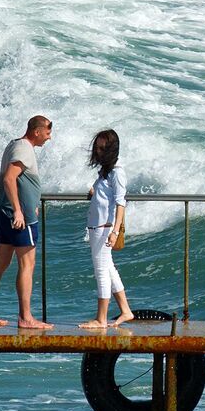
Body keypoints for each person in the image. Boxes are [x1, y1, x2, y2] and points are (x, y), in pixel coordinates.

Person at [0, 115, 53, 330]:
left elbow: (20, 182)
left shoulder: (14, 145)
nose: (49, 137)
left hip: (5, 213)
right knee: (27, 265)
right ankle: (25, 317)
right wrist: (19, 211)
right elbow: (10, 178)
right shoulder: (24, 148)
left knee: (1, 263)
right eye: (47, 132)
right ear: (36, 131)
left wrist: (31, 202)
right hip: (19, 218)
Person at [78, 128, 136, 330]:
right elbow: (104, 194)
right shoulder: (106, 171)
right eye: (97, 147)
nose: (99, 151)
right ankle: (126, 310)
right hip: (96, 226)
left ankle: (101, 319)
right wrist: (95, 191)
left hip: (105, 227)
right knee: (109, 269)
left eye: (103, 148)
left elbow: (121, 203)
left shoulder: (118, 172)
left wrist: (116, 231)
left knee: (101, 272)